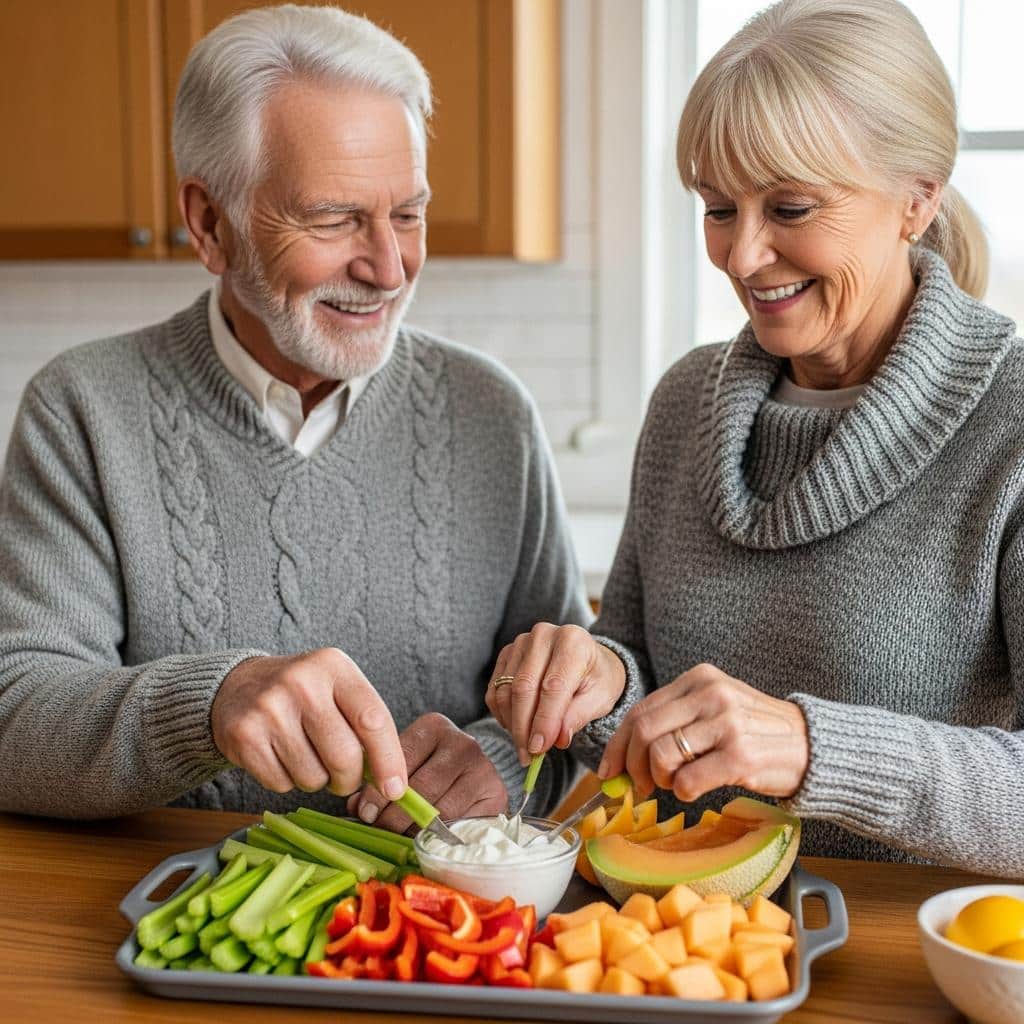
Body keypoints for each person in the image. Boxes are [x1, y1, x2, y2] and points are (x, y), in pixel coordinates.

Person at [0, 4, 590, 827]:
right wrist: (209, 705)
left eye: (408, 213)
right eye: (334, 217)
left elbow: (573, 717)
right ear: (211, 224)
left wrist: (493, 762)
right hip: (171, 918)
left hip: (434, 936)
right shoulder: (83, 411)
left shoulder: (491, 414)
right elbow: (15, 717)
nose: (388, 266)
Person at [488, 0, 1024, 874]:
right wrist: (600, 678)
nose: (741, 257)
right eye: (717, 208)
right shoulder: (684, 404)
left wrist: (815, 750)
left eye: (791, 206)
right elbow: (638, 680)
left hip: (914, 956)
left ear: (917, 200)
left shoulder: (1013, 423)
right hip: (681, 945)